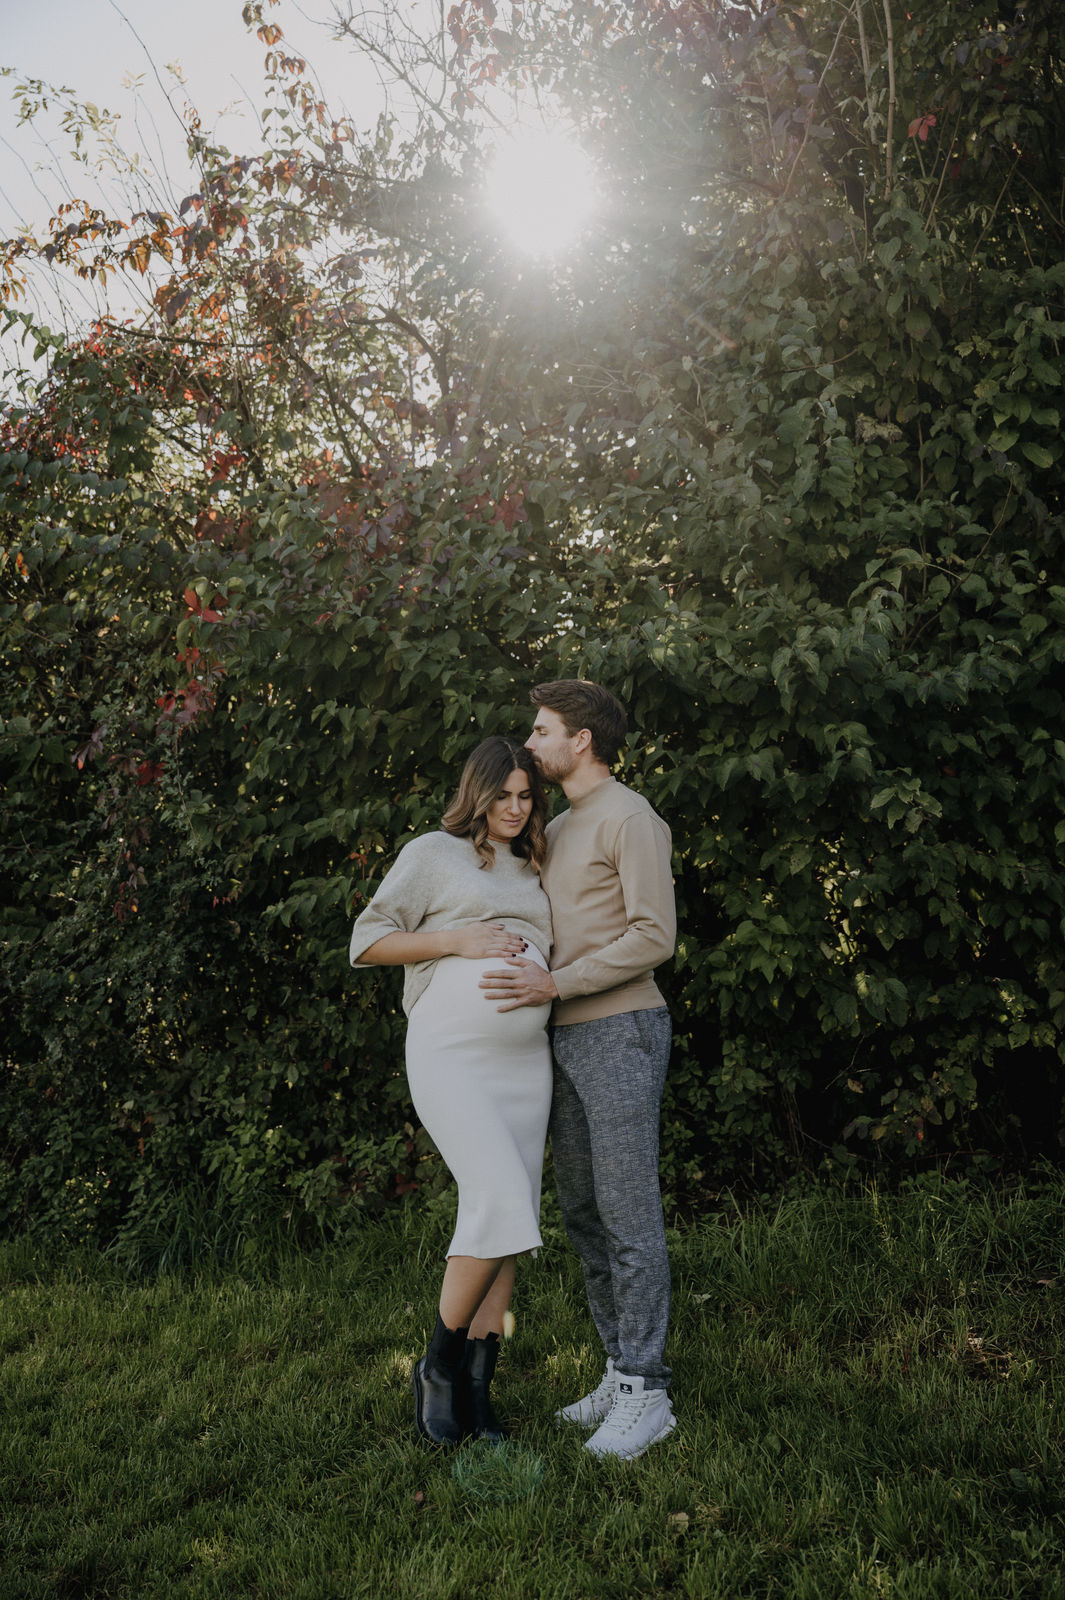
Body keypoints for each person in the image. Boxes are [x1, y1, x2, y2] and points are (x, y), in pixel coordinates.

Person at [479, 680, 677, 1460]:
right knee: (585, 1215)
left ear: (581, 739)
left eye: (540, 731)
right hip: (558, 1037)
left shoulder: (630, 818)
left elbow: (653, 935)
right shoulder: (557, 826)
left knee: (628, 1215)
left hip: (621, 1029)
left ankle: (647, 1390)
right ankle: (617, 1368)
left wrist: (557, 983)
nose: (528, 745)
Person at [348, 736, 553, 1447]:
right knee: (499, 1196)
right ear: (478, 792)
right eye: (503, 796)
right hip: (452, 1051)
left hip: (525, 1065)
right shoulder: (431, 853)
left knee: (507, 1220)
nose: (516, 809)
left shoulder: (535, 863)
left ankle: (476, 1387)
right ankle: (435, 1368)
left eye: (526, 797)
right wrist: (458, 942)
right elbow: (368, 940)